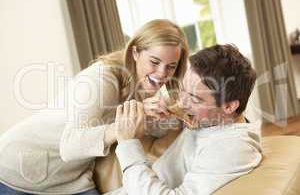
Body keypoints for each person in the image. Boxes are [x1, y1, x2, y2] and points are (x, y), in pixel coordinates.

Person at [0, 19, 189, 195]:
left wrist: (164, 116)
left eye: (171, 66)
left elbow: (142, 132)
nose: (162, 73)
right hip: (23, 168)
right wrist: (125, 124)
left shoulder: (142, 88)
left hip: (73, 178)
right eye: (154, 62)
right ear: (135, 52)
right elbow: (70, 146)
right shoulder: (103, 78)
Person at [110, 44, 263, 195]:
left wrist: (127, 145)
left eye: (195, 98)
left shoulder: (231, 148)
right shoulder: (212, 121)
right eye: (183, 90)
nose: (182, 102)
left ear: (229, 106)